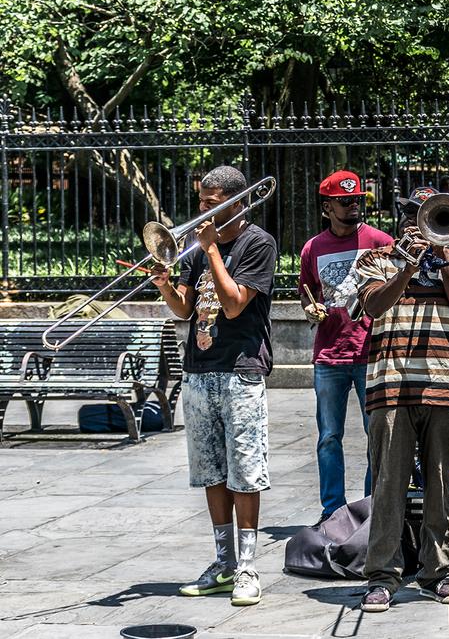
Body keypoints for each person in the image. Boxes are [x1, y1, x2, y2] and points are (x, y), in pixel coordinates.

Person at [152, 165, 277, 607]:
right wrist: (167, 286)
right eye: (201, 202)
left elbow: (234, 303)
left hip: (241, 369)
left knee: (244, 471)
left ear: (236, 202)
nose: (202, 210)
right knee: (211, 471)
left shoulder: (257, 243)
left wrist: (211, 252)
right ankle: (223, 563)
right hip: (199, 370)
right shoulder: (192, 249)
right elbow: (186, 311)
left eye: (211, 203)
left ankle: (247, 567)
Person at [355, 187, 449, 609]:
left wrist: (441, 259)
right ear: (400, 214)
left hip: (445, 385)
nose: (417, 220)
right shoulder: (374, 258)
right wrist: (407, 265)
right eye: (411, 212)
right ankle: (383, 575)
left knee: (440, 485)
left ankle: (437, 571)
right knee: (389, 485)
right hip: (391, 386)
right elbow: (373, 305)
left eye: (426, 214)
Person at [298, 171, 394, 526]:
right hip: (329, 354)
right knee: (329, 436)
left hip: (371, 352)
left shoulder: (380, 240)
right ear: (327, 207)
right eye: (345, 202)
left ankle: (373, 507)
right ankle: (332, 511)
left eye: (357, 200)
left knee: (377, 436)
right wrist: (309, 309)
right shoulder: (313, 247)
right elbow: (306, 291)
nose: (353, 206)